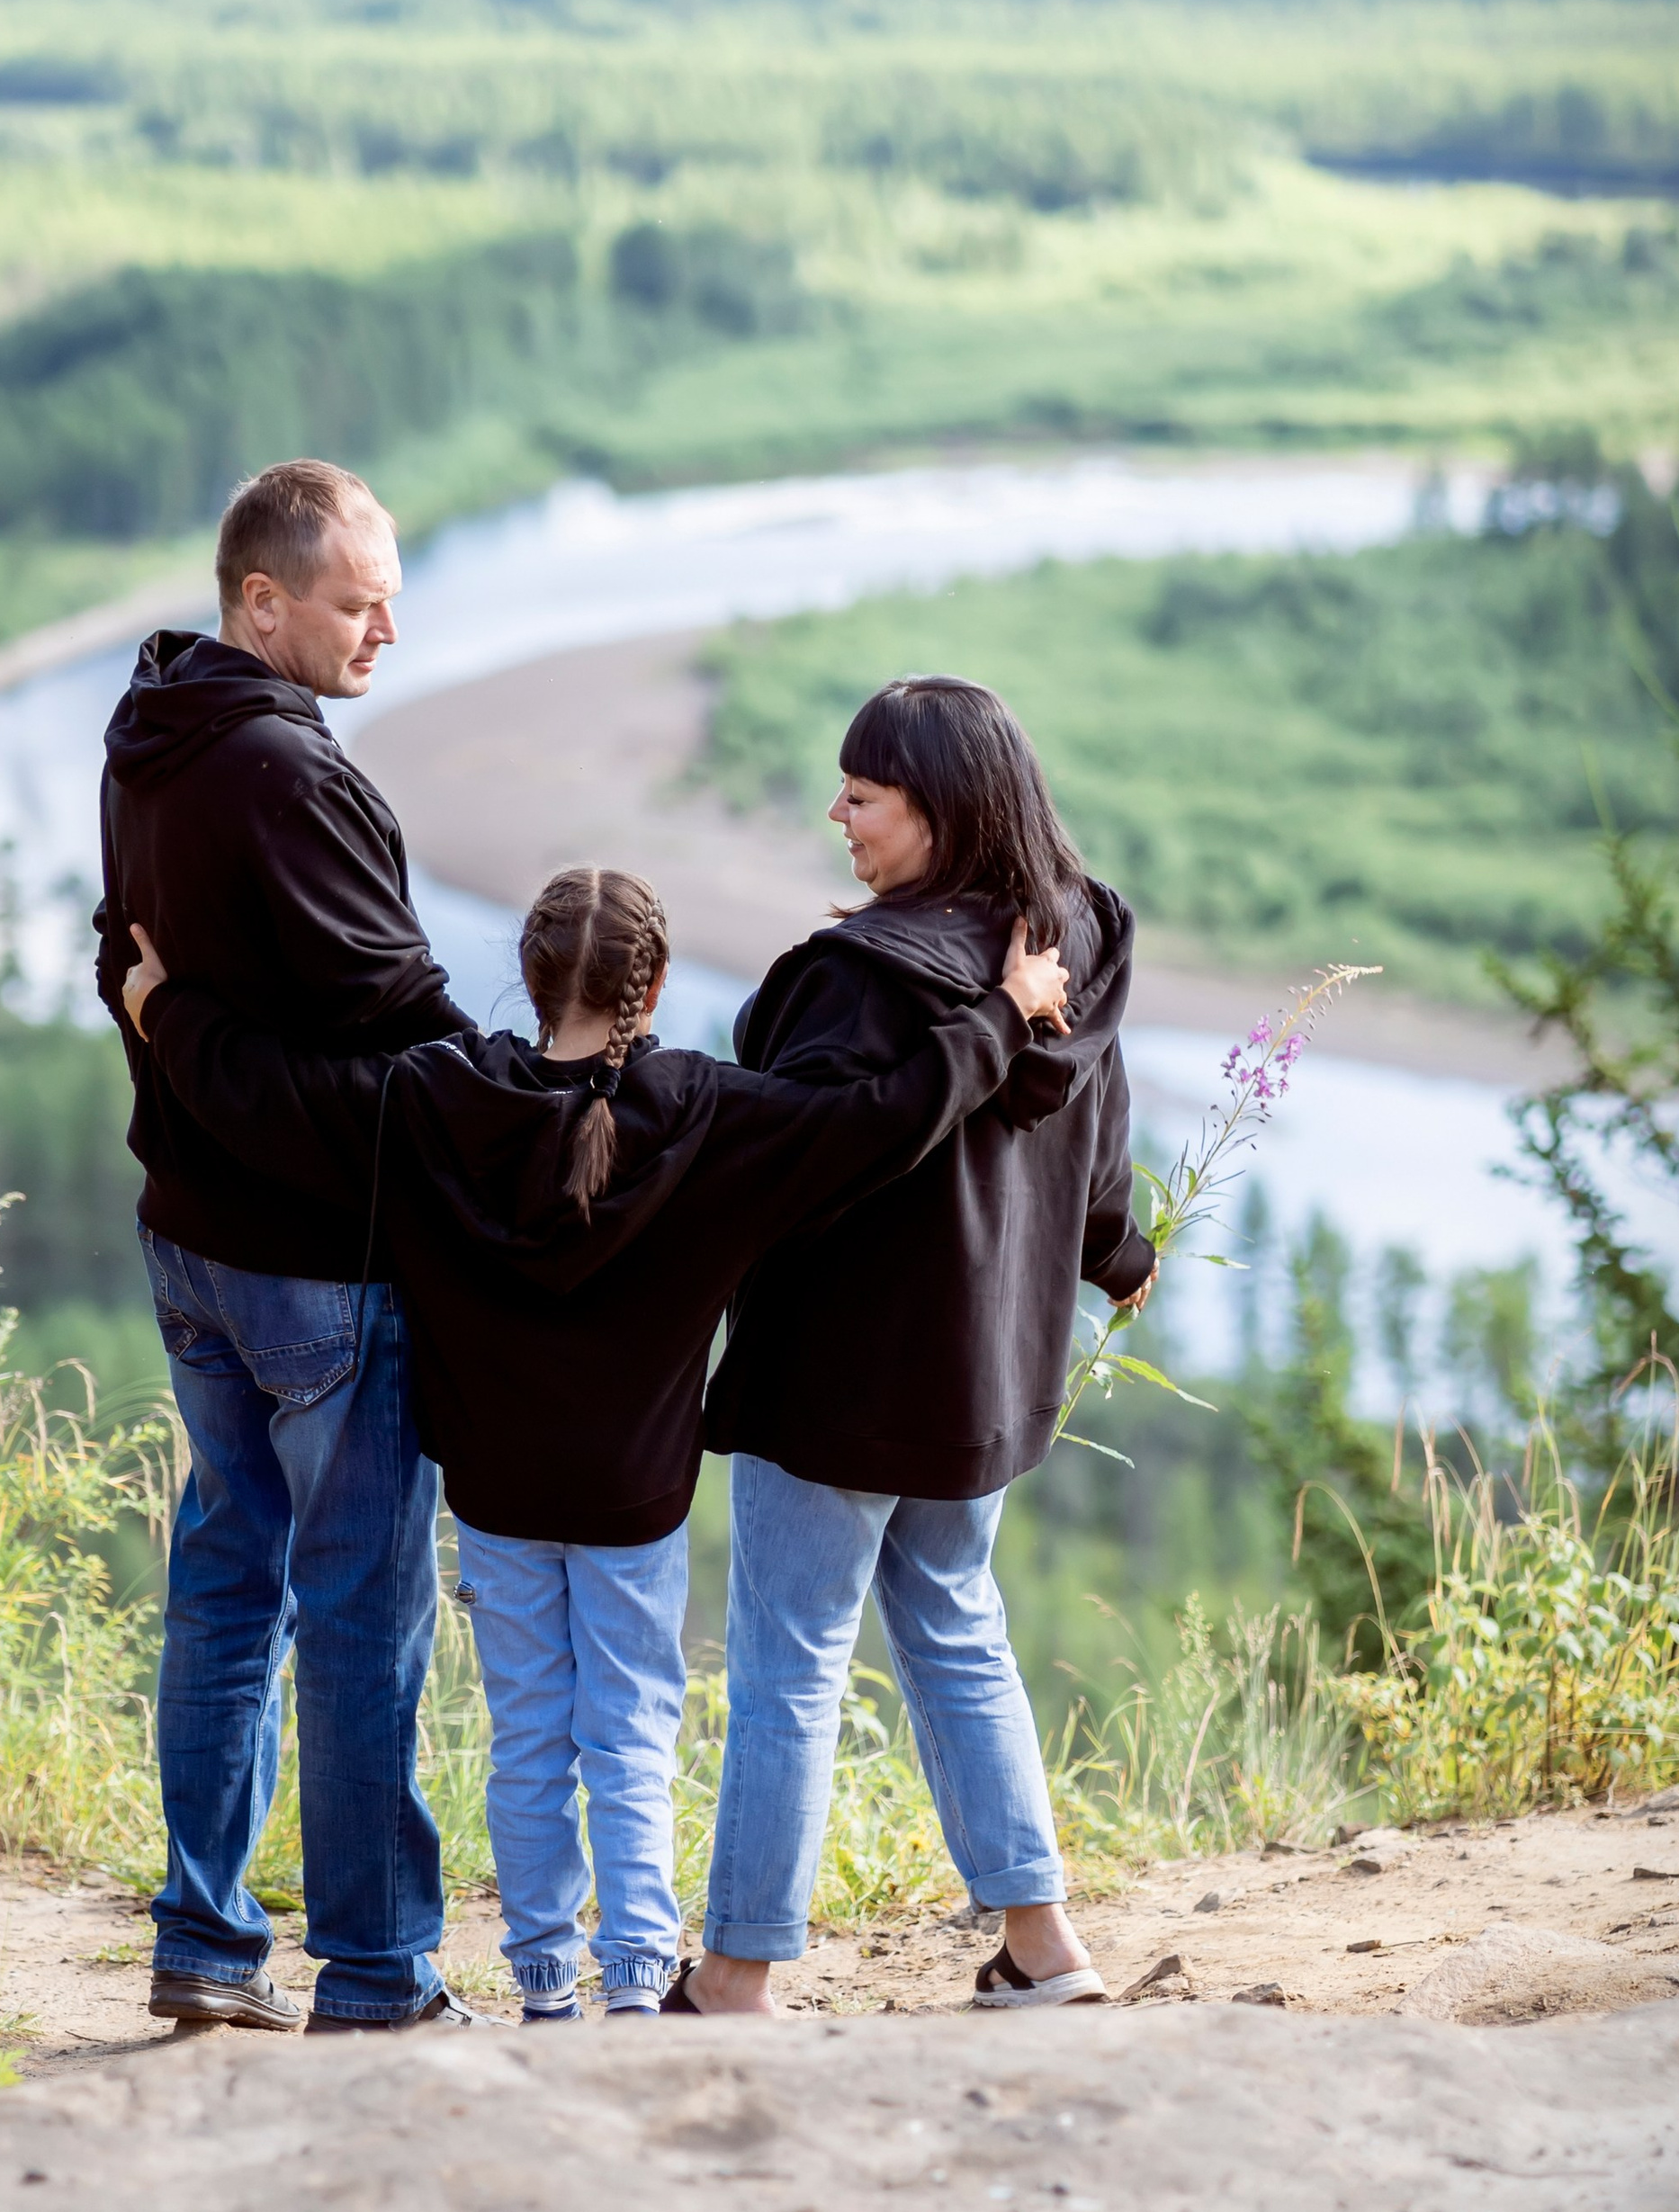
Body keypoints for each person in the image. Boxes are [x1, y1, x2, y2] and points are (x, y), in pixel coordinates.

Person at [126, 864, 1071, 2023]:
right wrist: (1003, 1011)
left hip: (496, 1492)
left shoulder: (437, 1096)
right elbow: (876, 1123)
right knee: (630, 1732)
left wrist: (164, 1009)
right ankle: (634, 1982)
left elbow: (279, 1098)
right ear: (658, 983)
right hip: (637, 1501)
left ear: (526, 978)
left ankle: (541, 1990)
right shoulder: (710, 1113)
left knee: (528, 1735)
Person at [690, 675, 1158, 2018]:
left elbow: (795, 1154)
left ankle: (733, 1979)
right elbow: (1102, 1129)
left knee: (790, 1661)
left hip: (836, 1382)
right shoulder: (1077, 935)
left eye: (864, 794)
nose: (837, 811)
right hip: (982, 1384)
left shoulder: (861, 979)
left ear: (940, 810)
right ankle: (1044, 1948)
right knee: (957, 1630)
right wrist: (1113, 1253)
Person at [94, 458, 472, 2037]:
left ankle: (205, 1940)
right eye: (355, 599)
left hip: (193, 1249)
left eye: (390, 590)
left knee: (228, 1583)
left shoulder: (150, 733)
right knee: (362, 1604)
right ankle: (378, 1975)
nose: (388, 625)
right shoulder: (289, 778)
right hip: (325, 1270)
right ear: (263, 599)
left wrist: (175, 1021)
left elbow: (125, 963)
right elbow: (414, 1038)